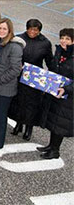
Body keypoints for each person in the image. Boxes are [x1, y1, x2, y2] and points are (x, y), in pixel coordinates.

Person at [9, 19, 53, 140]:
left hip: (35, 78)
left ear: (39, 31)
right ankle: (18, 124)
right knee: (18, 101)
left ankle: (29, 128)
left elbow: (49, 61)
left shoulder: (45, 43)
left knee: (32, 104)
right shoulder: (19, 39)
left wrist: (52, 78)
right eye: (30, 29)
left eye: (35, 30)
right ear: (26, 28)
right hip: (20, 74)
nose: (32, 32)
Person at [0, 19, 25, 150]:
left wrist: (1, 79)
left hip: (4, 87)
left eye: (4, 29)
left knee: (0, 115)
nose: (1, 31)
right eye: (0, 28)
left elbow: (15, 69)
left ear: (10, 31)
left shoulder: (15, 47)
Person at [38, 28, 73, 159]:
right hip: (55, 91)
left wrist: (67, 89)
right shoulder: (61, 52)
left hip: (67, 97)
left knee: (60, 124)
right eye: (62, 38)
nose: (64, 41)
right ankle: (51, 146)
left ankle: (55, 151)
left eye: (67, 39)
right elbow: (53, 68)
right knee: (53, 121)